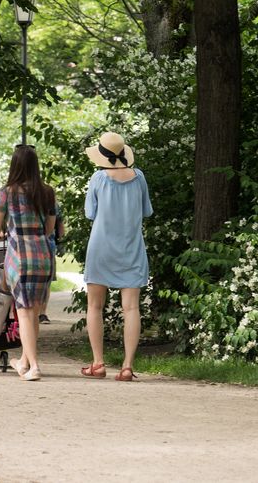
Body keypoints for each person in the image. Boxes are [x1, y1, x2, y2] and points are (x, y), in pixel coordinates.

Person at [81, 132, 153, 382]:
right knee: (131, 307)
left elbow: (90, 213)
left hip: (101, 247)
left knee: (95, 306)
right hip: (131, 247)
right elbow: (146, 210)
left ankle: (98, 363)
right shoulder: (139, 177)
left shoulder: (98, 178)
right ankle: (127, 366)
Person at [0, 144, 57, 381]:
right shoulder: (47, 192)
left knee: (24, 312)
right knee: (34, 312)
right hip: (43, 257)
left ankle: (35, 366)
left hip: (19, 258)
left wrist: (1, 232)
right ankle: (24, 361)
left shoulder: (6, 193)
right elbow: (50, 228)